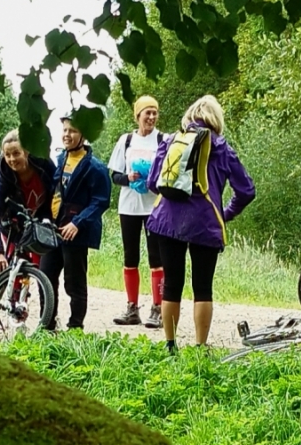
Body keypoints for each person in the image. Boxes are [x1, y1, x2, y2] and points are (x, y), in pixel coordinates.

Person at [146, 95, 256, 352]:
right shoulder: (222, 148)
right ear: (216, 119)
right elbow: (247, 190)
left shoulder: (171, 141)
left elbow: (153, 182)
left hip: (167, 221)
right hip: (206, 222)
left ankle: (170, 345)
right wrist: (225, 213)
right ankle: (199, 347)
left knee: (172, 283)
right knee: (202, 288)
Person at [41, 116, 111, 331]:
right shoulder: (60, 160)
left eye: (72, 130)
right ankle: (47, 325)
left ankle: (75, 328)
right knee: (45, 277)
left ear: (83, 135)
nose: (67, 135)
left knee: (74, 283)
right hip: (54, 230)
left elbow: (100, 201)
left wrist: (78, 223)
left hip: (75, 234)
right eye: (64, 130)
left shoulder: (95, 167)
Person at [109, 95, 166, 328]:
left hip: (154, 207)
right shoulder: (126, 140)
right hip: (129, 207)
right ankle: (132, 308)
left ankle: (158, 308)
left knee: (157, 258)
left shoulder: (164, 140)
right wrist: (128, 178)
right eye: (147, 113)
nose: (151, 117)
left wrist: (156, 179)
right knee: (130, 257)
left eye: (154, 113)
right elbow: (114, 175)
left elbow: (171, 172)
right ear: (138, 115)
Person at [0, 129, 56, 268]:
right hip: (12, 220)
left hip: (38, 220)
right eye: (7, 155)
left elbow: (57, 191)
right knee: (12, 265)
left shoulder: (44, 165)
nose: (12, 159)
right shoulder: (3, 174)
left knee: (40, 265)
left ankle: (43, 289)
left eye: (16, 153)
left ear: (26, 152)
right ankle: (13, 289)